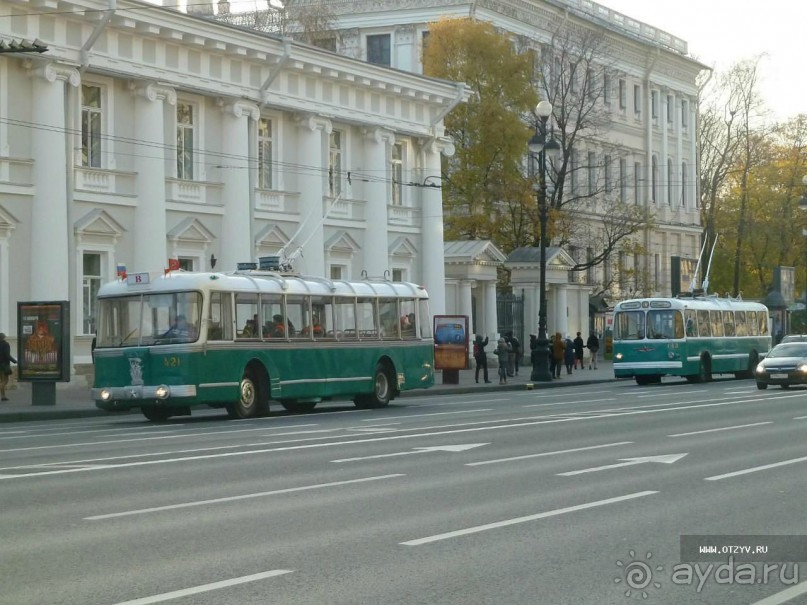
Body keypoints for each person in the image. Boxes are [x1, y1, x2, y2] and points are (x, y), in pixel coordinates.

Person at [0, 332, 17, 401]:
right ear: (3, 337)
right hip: (4, 364)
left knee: (2, 380)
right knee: (5, 381)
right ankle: (3, 396)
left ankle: (3, 396)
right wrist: (14, 361)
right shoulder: (5, 344)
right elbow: (7, 355)